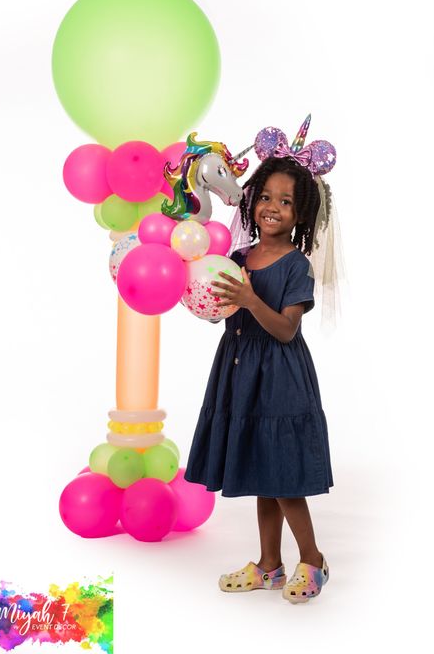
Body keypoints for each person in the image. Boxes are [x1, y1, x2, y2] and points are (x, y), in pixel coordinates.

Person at [184, 117, 342, 604]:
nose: (274, 207)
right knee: (259, 471)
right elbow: (220, 310)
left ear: (302, 214)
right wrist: (208, 300)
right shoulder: (237, 255)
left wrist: (251, 301)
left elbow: (286, 328)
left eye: (287, 201)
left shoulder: (294, 264)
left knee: (284, 478)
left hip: (280, 378)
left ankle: (312, 559)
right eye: (267, 196)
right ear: (252, 200)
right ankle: (270, 565)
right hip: (239, 373)